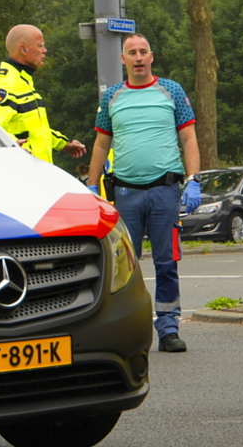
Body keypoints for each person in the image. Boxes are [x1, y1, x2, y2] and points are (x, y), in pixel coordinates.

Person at [86, 33, 202, 353]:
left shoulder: (172, 91)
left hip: (165, 191)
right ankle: (126, 330)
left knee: (166, 262)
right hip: (126, 193)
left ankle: (168, 329)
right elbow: (100, 143)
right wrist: (92, 184)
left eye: (143, 52)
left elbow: (189, 139)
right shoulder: (111, 97)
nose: (138, 58)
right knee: (125, 266)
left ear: (151, 57)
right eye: (131, 53)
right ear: (123, 60)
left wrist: (193, 179)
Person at [0, 24, 86, 163]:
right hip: (21, 174)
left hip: (37, 172)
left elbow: (36, 130)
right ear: (23, 49)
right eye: (40, 46)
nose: (45, 51)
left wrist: (64, 144)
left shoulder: (23, 81)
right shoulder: (4, 83)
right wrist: (12, 145)